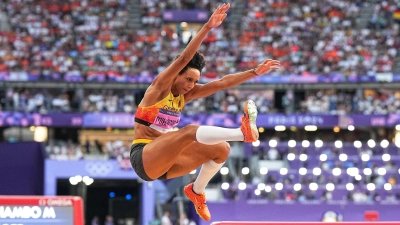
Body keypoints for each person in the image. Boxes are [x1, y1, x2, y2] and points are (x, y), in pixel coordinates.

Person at [130, 3, 280, 221]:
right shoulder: (159, 88)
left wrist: (254, 72)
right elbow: (183, 59)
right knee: (189, 130)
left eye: (196, 81)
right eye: (188, 79)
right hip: (145, 158)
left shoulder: (185, 95)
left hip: (169, 162)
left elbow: (221, 83)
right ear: (175, 75)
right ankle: (242, 133)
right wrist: (208, 27)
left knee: (222, 149)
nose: (191, 85)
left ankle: (197, 191)